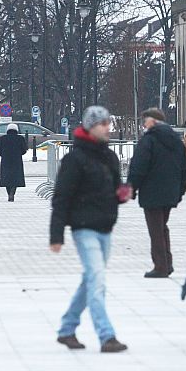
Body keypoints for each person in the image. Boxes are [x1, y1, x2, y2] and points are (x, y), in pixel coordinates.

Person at [51, 105, 130, 353]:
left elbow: (114, 190)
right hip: (83, 228)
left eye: (108, 123)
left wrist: (122, 194)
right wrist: (56, 235)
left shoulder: (109, 158)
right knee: (97, 280)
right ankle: (106, 336)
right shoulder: (74, 160)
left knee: (90, 280)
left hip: (105, 227)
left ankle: (67, 328)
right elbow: (61, 198)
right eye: (102, 124)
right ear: (90, 126)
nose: (108, 128)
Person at [128, 108, 186, 278]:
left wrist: (132, 188)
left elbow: (139, 166)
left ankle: (161, 266)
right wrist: (180, 191)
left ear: (153, 121)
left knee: (156, 229)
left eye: (145, 121)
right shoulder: (176, 141)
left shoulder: (149, 140)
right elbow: (185, 168)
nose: (144, 125)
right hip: (170, 191)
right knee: (162, 227)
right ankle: (166, 263)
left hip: (151, 191)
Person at [0, 124, 28, 202]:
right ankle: (12, 193)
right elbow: (24, 150)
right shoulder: (20, 138)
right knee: (16, 178)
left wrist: (4, 155)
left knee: (6, 178)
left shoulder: (2, 138)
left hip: (5, 161)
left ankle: (9, 194)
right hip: (17, 160)